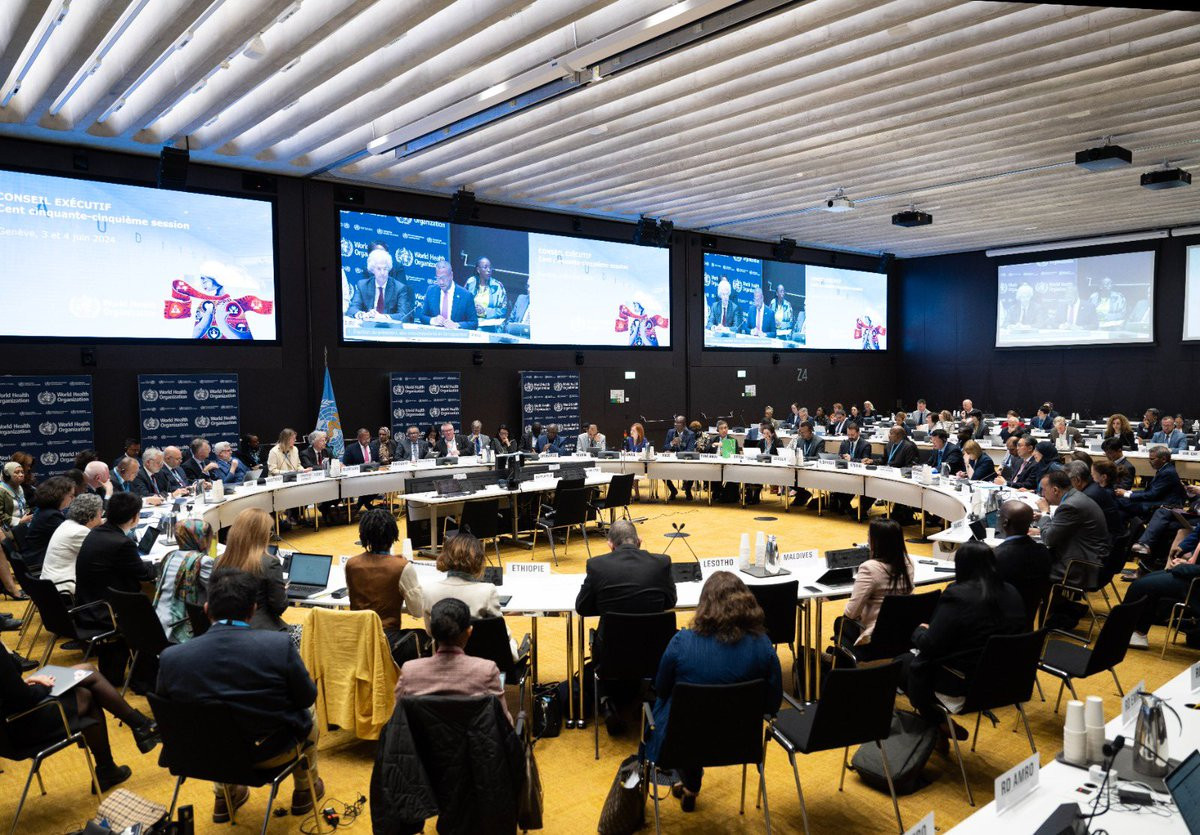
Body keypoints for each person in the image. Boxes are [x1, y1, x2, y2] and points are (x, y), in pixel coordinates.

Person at [157, 568, 323, 822]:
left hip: (202, 756)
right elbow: (306, 697)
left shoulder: (171, 658)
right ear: (253, 609)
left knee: (214, 723)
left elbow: (169, 713)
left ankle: (224, 796)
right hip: (265, 755)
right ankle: (305, 790)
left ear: (206, 609)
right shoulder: (278, 646)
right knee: (308, 712)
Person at [645, 572, 782, 810]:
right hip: (740, 743)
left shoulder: (681, 642)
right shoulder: (763, 646)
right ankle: (690, 785)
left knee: (681, 711)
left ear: (704, 605)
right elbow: (772, 704)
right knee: (699, 711)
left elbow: (662, 688)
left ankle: (688, 782)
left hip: (682, 741)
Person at [902, 541, 1024, 742]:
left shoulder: (958, 596)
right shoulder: (1012, 592)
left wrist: (918, 631)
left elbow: (930, 645)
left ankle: (937, 722)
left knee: (903, 664)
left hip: (964, 684)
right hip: (1006, 682)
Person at [1, 640, 159, 793]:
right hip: (19, 728)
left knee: (87, 671)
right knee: (87, 694)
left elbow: (12, 677)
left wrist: (25, 682)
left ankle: (136, 732)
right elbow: (23, 698)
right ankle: (139, 730)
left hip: (9, 724)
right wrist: (43, 686)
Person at [575, 520, 676, 734]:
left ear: (610, 545)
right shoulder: (662, 563)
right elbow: (670, 602)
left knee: (599, 641)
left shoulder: (596, 565)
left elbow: (582, 607)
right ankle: (651, 694)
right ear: (639, 541)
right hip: (654, 654)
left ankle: (605, 700)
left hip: (611, 654)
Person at [395, 598, 511, 722]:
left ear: (432, 632)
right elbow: (504, 723)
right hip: (473, 735)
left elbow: (397, 720)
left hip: (421, 735)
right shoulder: (486, 670)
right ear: (469, 632)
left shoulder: (410, 671)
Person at [421, 532, 516, 660]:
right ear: (478, 559)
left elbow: (430, 632)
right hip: (481, 659)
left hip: (444, 660)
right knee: (513, 643)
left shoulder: (428, 590)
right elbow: (501, 633)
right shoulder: (487, 591)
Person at [345, 508, 425, 647]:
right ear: (393, 534)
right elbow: (417, 611)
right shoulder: (401, 567)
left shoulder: (351, 564)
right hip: (386, 640)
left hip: (357, 638)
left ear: (363, 536)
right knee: (426, 637)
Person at [213, 508, 288, 632]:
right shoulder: (269, 563)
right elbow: (279, 607)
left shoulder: (218, 561)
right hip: (263, 631)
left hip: (226, 630)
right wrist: (283, 591)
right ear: (261, 536)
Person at [841, 519, 914, 646]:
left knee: (840, 623)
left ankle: (838, 656)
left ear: (876, 541)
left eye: (869, 535)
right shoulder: (908, 563)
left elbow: (851, 613)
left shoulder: (869, 568)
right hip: (902, 629)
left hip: (874, 633)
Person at [1125, 527, 1200, 648]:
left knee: (1142, 586)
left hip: (1195, 583)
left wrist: (1183, 566)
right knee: (1144, 581)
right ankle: (1136, 632)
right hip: (1192, 574)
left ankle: (1128, 632)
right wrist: (1185, 560)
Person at [1033, 469, 1109, 583]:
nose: (1042, 494)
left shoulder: (1070, 506)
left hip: (1079, 566)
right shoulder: (1075, 497)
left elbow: (1048, 539)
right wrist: (1044, 519)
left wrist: (1045, 512)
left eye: (1043, 490)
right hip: (1086, 554)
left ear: (1055, 490)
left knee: (1027, 567)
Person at [153, 518, 216, 642]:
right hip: (182, 630)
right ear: (199, 538)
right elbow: (217, 593)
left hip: (158, 624)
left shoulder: (170, 556)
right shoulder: (203, 561)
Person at [993, 501, 1052, 627]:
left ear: (1005, 523)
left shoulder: (997, 556)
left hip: (999, 624)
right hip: (1029, 621)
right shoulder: (1043, 552)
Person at [41, 493, 103, 594]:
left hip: (50, 583)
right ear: (92, 515)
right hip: (63, 587)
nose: (101, 517)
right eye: (100, 513)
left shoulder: (67, 524)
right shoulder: (80, 532)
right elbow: (101, 556)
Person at [1116, 444, 1187, 520]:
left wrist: (1126, 494)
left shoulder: (1167, 472)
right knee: (1121, 505)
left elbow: (1151, 494)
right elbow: (1149, 491)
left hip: (1164, 504)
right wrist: (1128, 492)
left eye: (1152, 459)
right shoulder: (1165, 469)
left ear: (1163, 459)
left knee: (1121, 502)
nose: (1149, 462)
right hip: (1158, 500)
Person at [18, 475, 73, 571]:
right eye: (71, 496)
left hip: (36, 557)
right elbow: (70, 539)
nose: (72, 499)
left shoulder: (44, 509)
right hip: (40, 562)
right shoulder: (51, 516)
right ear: (61, 496)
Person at [347, 248, 412, 321]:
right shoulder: (363, 285)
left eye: (385, 269)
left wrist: (384, 317)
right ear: (372, 270)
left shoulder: (399, 288)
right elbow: (352, 309)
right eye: (379, 269)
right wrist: (363, 315)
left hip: (388, 327)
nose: (382, 273)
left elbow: (404, 315)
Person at [1068, 460, 1123, 545]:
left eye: (1093, 474)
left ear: (1077, 480)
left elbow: (1074, 523)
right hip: (1107, 535)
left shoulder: (1089, 495)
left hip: (1105, 542)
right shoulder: (1093, 487)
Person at [417, 259, 478, 329]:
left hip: (455, 335)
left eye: (443, 278)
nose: (441, 282)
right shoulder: (431, 291)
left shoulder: (466, 295)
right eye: (438, 278)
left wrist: (456, 325)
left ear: (451, 275)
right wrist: (433, 320)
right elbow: (422, 316)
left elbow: (474, 323)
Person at [831, 423, 873, 517]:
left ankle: (847, 506)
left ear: (858, 433)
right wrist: (842, 458)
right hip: (845, 472)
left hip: (859, 475)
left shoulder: (866, 445)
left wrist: (851, 459)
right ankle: (845, 506)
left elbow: (865, 461)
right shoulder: (844, 443)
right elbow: (839, 456)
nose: (850, 437)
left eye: (852, 435)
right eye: (848, 434)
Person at [463, 256, 509, 321]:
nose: (489, 270)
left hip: (490, 324)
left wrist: (484, 312)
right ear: (478, 270)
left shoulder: (497, 286)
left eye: (490, 267)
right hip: (471, 321)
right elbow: (462, 303)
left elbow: (503, 310)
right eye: (485, 267)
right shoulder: (470, 282)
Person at [664, 416, 695, 500]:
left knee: (695, 470)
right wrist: (672, 443)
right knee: (662, 471)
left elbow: (690, 450)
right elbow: (665, 447)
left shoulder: (690, 434)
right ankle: (673, 490)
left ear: (684, 424)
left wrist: (676, 453)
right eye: (675, 422)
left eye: (678, 423)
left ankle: (688, 490)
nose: (675, 424)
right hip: (671, 461)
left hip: (685, 462)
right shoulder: (670, 432)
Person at [0, 461, 33, 528]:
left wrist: (28, 514)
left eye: (22, 472)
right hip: (8, 528)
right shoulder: (1, 490)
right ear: (8, 475)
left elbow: (24, 505)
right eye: (17, 472)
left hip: (23, 524)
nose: (21, 475)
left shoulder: (19, 488)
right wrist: (19, 521)